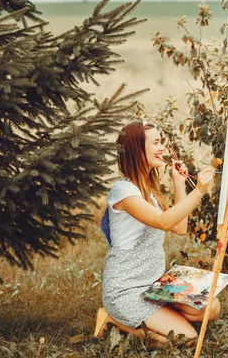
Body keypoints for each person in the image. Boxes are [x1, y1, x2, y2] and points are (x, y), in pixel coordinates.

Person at [94, 121, 220, 343]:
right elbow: (163, 221)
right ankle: (112, 320)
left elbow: (179, 227)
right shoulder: (123, 192)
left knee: (211, 308)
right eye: (156, 142)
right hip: (126, 290)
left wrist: (179, 183)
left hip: (153, 286)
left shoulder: (150, 193)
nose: (161, 147)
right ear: (137, 150)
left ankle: (161, 316)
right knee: (187, 338)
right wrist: (198, 192)